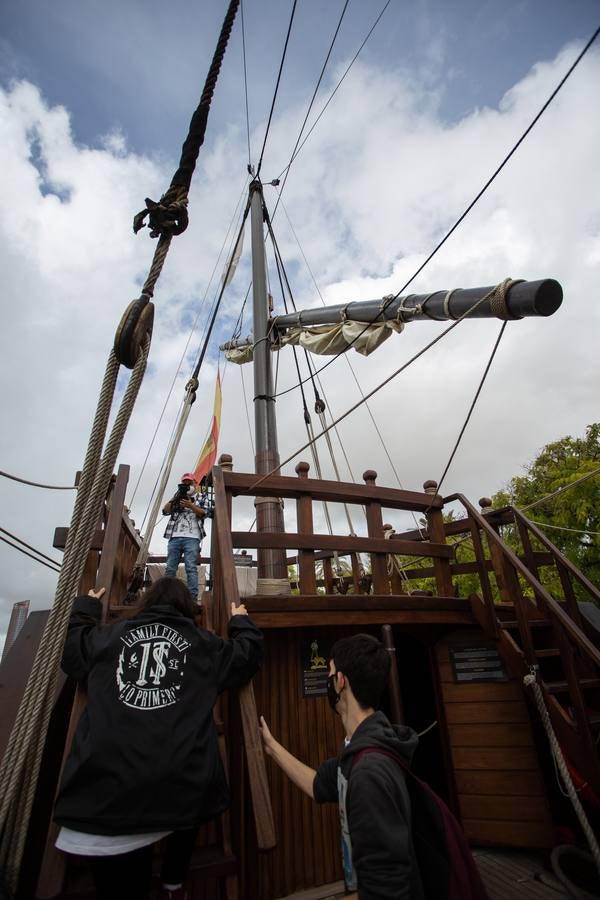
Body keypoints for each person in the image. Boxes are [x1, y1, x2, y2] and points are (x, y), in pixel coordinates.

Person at [54, 576, 263, 900]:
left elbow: (73, 654)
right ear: (186, 608)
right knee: (189, 789)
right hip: (179, 787)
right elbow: (244, 657)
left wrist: (86, 609)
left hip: (103, 793)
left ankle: (168, 881)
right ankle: (173, 881)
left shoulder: (108, 639)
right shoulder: (203, 644)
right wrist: (241, 623)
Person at [260, 633, 424, 900]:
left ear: (340, 682)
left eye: (330, 672)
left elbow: (387, 888)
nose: (328, 679)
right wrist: (271, 746)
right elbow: (319, 784)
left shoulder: (369, 773)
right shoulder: (360, 749)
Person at [162, 473, 209, 600]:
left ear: (195, 483)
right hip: (175, 536)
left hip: (192, 537)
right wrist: (176, 497)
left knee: (191, 568)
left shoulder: (201, 496)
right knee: (170, 568)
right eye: (185, 483)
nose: (187, 485)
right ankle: (166, 597)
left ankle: (192, 598)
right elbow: (165, 511)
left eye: (189, 483)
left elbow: (205, 513)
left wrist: (191, 506)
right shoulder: (177, 496)